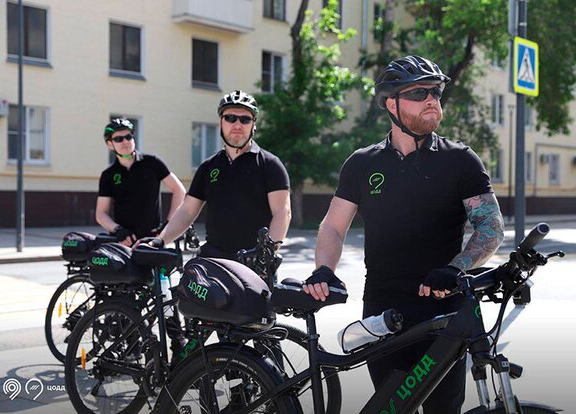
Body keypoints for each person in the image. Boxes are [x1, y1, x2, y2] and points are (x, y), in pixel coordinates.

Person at [303, 55, 505, 413]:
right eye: (418, 93)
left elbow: (491, 227)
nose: (432, 100)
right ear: (390, 104)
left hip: (445, 311)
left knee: (443, 409)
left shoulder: (460, 160)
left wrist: (457, 268)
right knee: (391, 407)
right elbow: (333, 226)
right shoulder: (363, 163)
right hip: (383, 312)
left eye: (436, 92)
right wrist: (324, 270)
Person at [141, 90, 291, 263]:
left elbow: (282, 212)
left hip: (252, 262)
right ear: (221, 122)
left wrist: (267, 254)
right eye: (230, 118)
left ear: (253, 124)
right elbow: (187, 211)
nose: (237, 124)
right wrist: (160, 240)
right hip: (212, 260)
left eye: (245, 119)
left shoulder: (270, 165)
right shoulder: (208, 167)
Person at [96, 118, 186, 246]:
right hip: (124, 241)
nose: (125, 141)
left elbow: (179, 190)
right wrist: (117, 230)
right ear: (110, 144)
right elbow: (101, 214)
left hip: (151, 240)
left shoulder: (152, 163)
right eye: (118, 139)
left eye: (128, 137)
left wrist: (168, 224)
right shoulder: (108, 175)